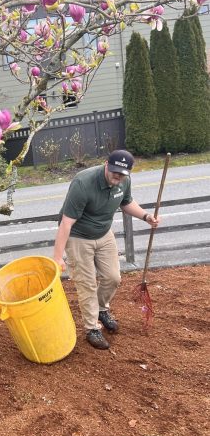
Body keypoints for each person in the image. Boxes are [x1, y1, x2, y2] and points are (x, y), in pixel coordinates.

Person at [53, 150, 160, 350]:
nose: (117, 177)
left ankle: (102, 309)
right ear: (106, 164)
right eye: (114, 172)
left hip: (103, 234)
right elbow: (66, 223)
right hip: (78, 237)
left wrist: (146, 217)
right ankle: (92, 328)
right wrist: (58, 257)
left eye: (122, 173)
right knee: (86, 284)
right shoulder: (83, 183)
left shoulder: (124, 181)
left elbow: (126, 202)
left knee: (113, 278)